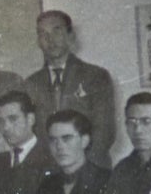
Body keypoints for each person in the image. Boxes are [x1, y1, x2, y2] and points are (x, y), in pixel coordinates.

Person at [25, 10, 116, 168]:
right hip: (47, 173)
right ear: (38, 41)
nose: (50, 39)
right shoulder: (31, 83)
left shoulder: (96, 76)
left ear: (70, 36)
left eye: (57, 30)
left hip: (90, 168)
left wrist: (78, 169)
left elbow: (104, 132)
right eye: (42, 34)